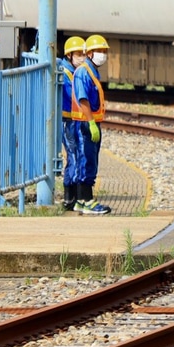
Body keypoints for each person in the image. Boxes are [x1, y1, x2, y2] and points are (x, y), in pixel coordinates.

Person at [71, 34, 112, 214]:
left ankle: (81, 201)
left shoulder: (92, 70)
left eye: (104, 51)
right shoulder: (83, 72)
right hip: (85, 124)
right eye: (99, 51)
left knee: (89, 161)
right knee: (86, 161)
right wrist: (91, 122)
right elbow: (83, 99)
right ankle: (87, 200)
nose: (102, 54)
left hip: (90, 123)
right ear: (89, 53)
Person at [59, 36, 87, 212]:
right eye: (78, 54)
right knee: (74, 156)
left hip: (74, 120)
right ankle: (71, 197)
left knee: (76, 155)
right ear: (69, 56)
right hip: (69, 121)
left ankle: (73, 196)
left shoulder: (74, 71)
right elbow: (73, 96)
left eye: (84, 54)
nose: (82, 58)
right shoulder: (65, 73)